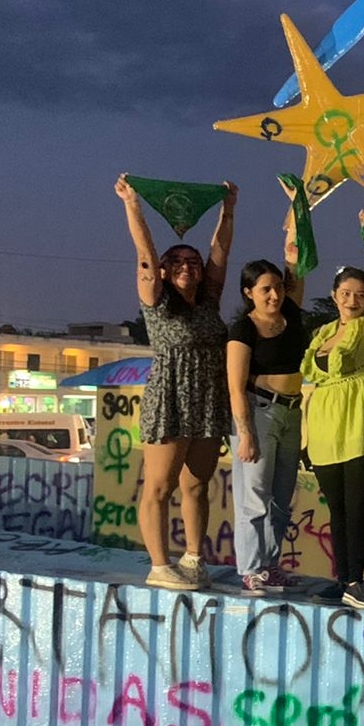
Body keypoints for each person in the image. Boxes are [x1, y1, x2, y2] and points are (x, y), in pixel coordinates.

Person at [115, 174, 236, 592]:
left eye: (193, 262)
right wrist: (134, 206)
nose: (188, 267)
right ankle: (159, 564)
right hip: (170, 396)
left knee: (197, 484)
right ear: (165, 271)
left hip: (206, 397)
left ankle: (194, 557)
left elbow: (220, 254)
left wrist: (228, 210)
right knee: (161, 486)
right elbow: (145, 255)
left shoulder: (208, 301)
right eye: (178, 262)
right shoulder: (157, 301)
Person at [301, 215, 364, 611]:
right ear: (335, 294)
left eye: (361, 293)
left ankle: (357, 578)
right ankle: (343, 578)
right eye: (346, 292)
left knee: (357, 507)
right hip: (325, 431)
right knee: (337, 508)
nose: (353, 299)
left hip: (360, 425)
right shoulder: (322, 333)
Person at [226, 215, 308, 597]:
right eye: (264, 290)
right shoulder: (243, 329)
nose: (273, 295)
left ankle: (271, 564)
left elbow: (296, 264)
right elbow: (236, 385)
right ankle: (251, 567)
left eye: (276, 288)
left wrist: (295, 218)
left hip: (292, 411)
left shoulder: (290, 314)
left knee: (282, 495)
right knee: (254, 495)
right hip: (258, 411)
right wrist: (245, 434)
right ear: (248, 293)